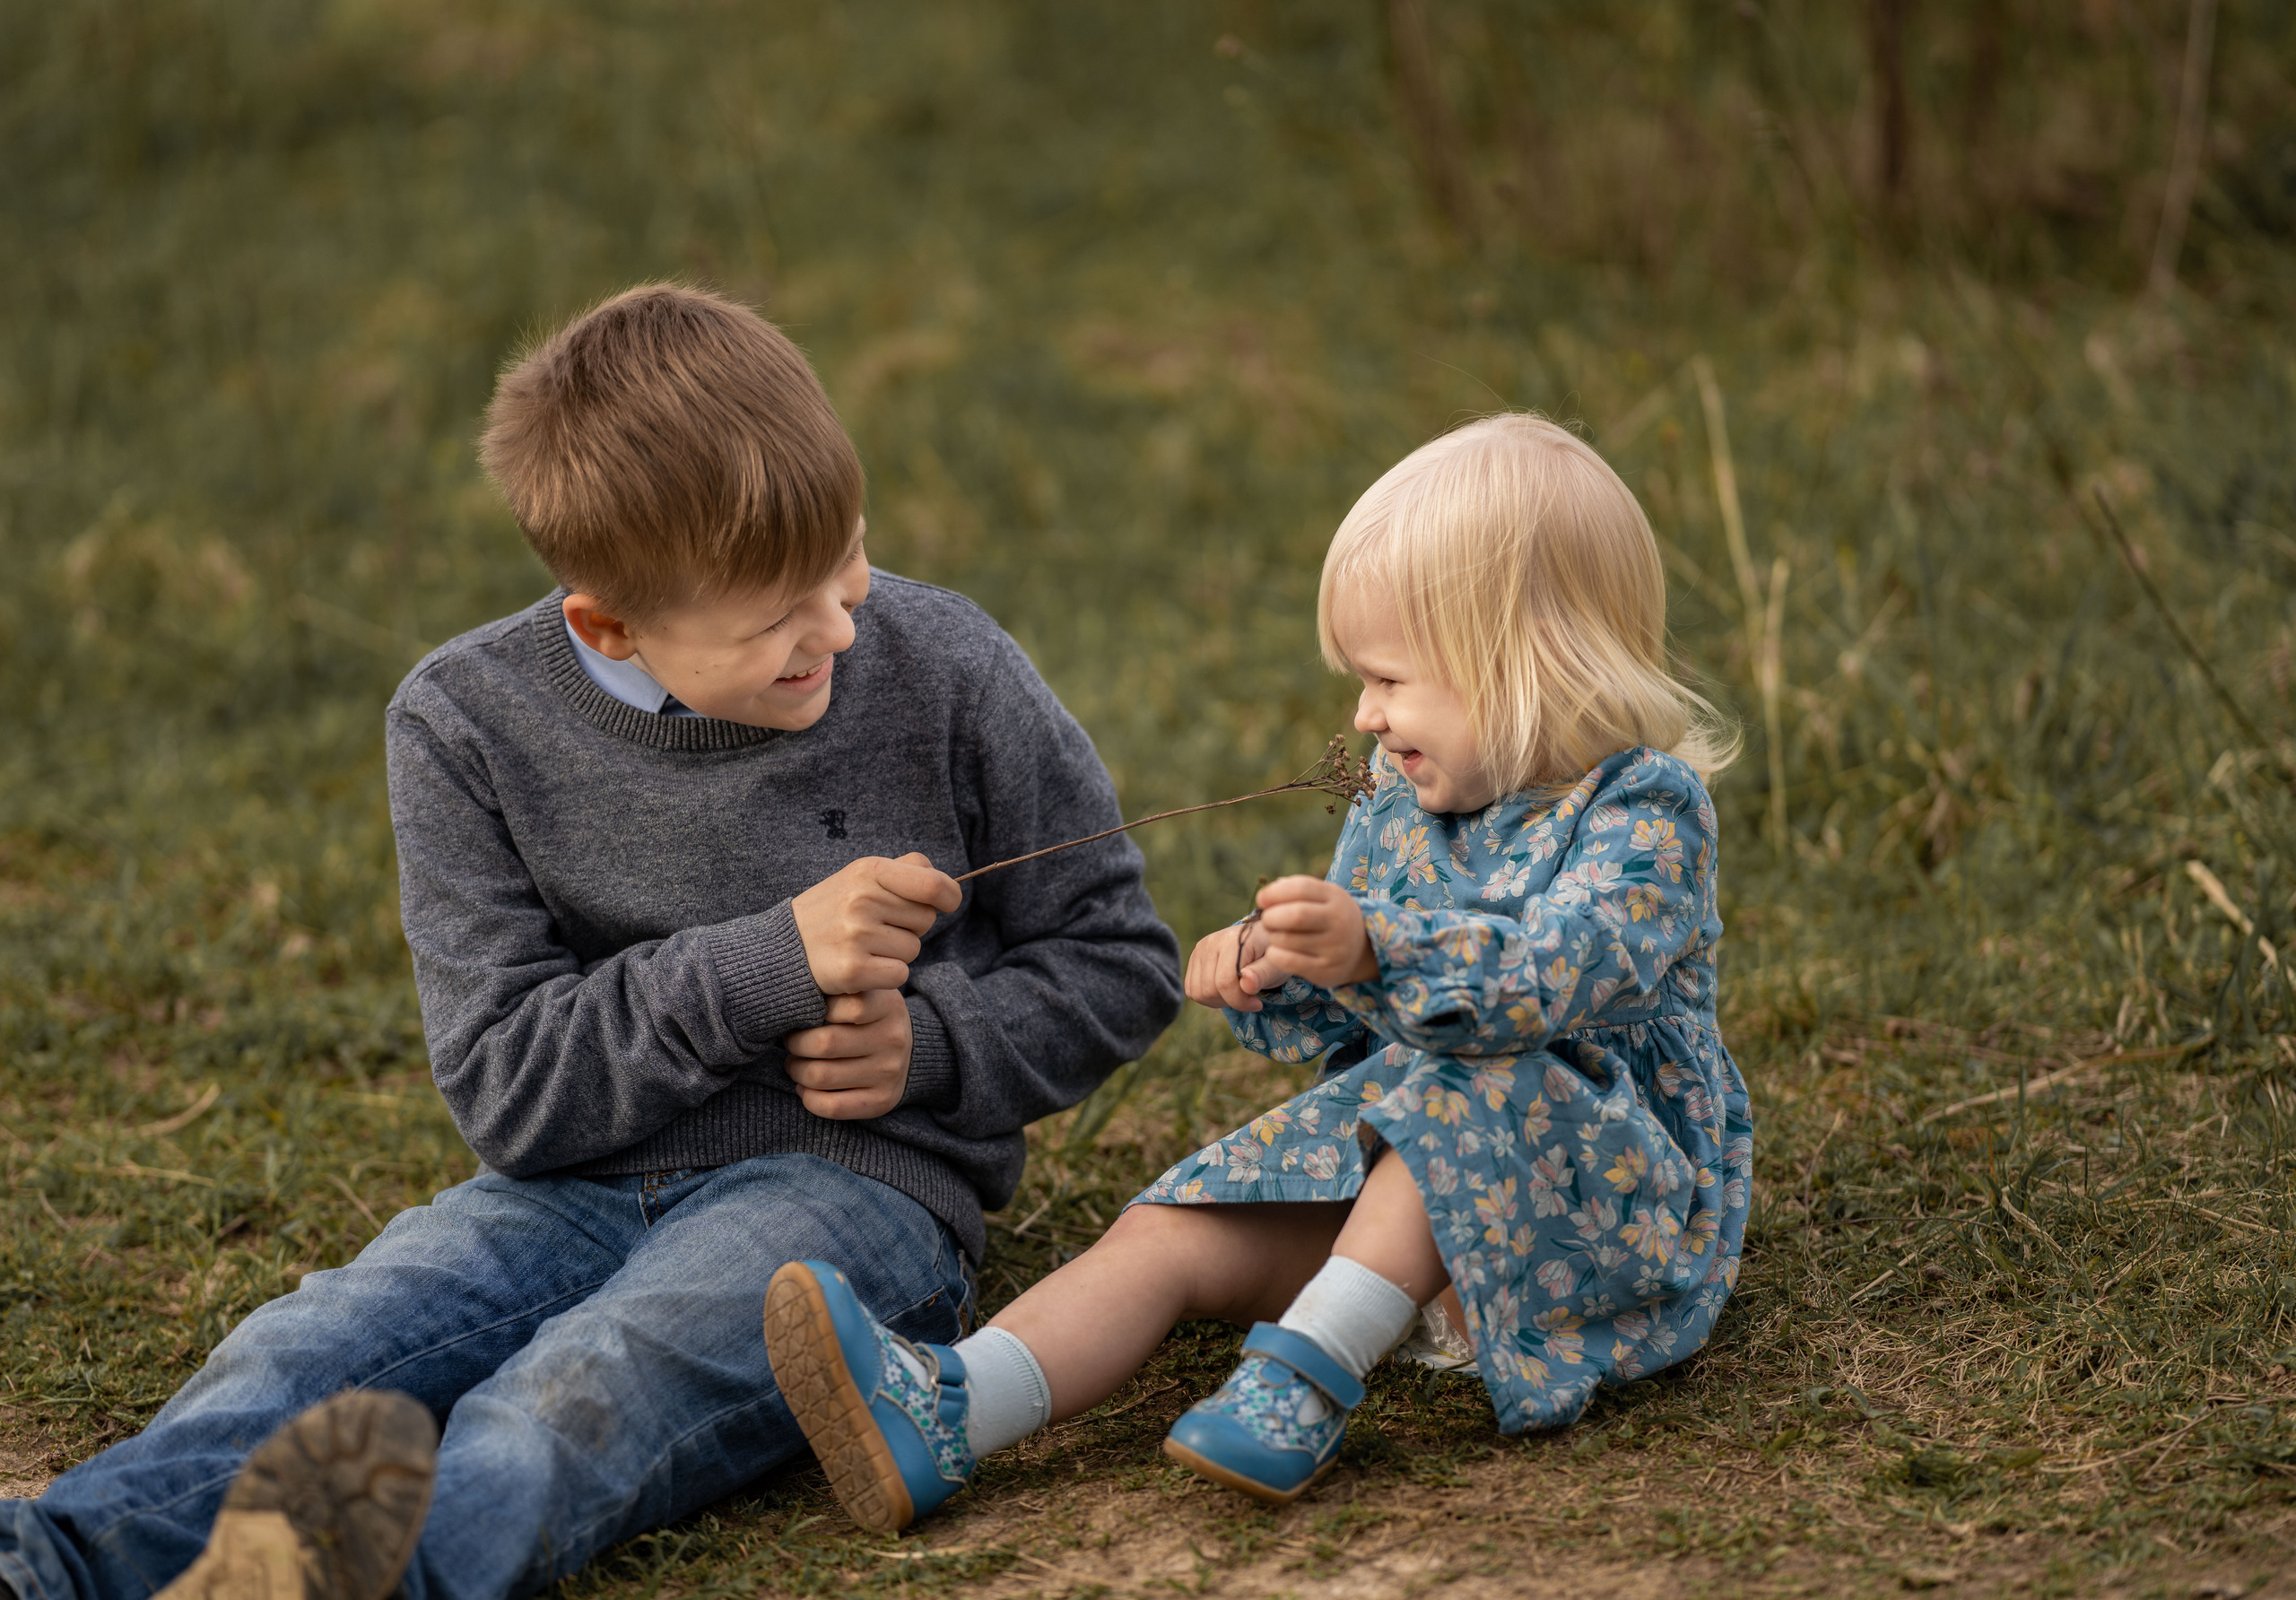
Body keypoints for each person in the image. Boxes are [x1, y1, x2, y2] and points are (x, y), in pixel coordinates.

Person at [0, 284, 1183, 1600]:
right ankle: (54, 1563)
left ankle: (359, 1583)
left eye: (846, 557)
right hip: (557, 1187)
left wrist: (938, 1045)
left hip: (852, 1190)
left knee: (579, 1391)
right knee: (309, 1351)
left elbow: (1119, 957)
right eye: (776, 622)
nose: (842, 625)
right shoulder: (465, 723)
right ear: (608, 624)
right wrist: (769, 961)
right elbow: (511, 1087)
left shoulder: (944, 660)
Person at [761, 413, 1752, 1528]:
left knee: (1460, 1094)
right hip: (1412, 1194)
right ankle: (951, 1404)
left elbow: (1553, 976)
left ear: (1524, 666)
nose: (1364, 715)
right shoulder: (1396, 795)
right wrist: (1277, 967)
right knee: (1172, 1229)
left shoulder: (1645, 812)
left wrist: (1377, 945)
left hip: (1607, 1214)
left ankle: (1306, 1375)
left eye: (1389, 679)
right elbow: (1354, 1024)